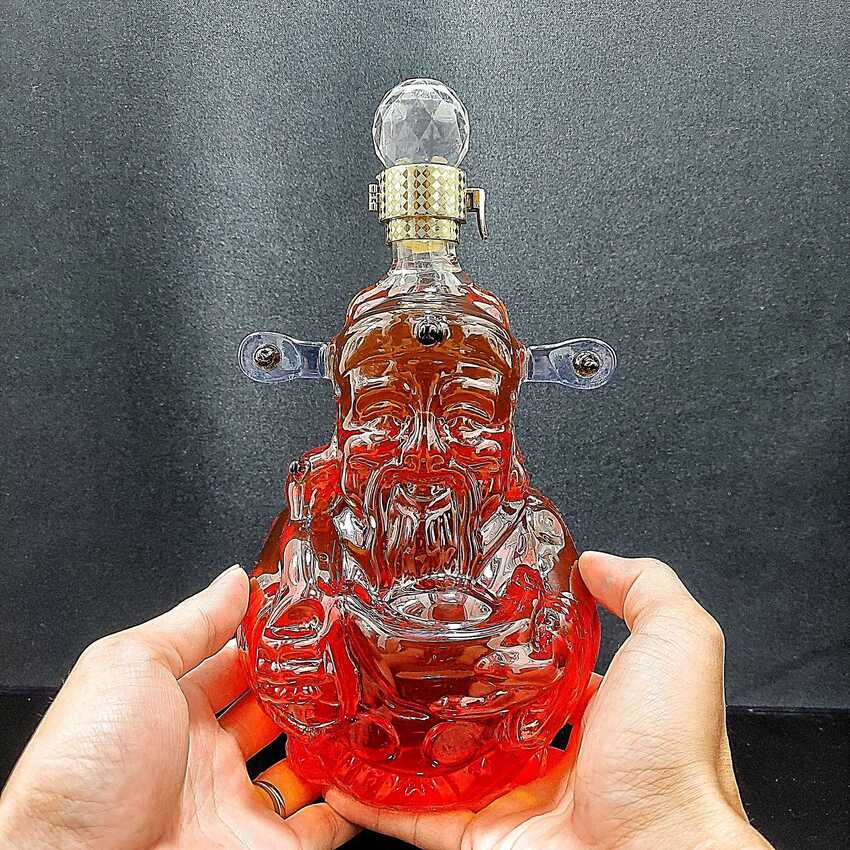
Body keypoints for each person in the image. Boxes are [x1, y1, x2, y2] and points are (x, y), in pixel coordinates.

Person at [0, 552, 773, 850]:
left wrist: (665, 827)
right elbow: (284, 639)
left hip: (486, 768)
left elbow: (549, 642)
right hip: (351, 754)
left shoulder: (526, 535)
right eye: (384, 405)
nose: (425, 442)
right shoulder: (318, 532)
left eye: (464, 413)